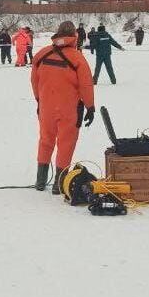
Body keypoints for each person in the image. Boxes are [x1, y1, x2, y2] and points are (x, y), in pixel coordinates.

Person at [31, 21, 95, 194]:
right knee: (66, 143)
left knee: (45, 141)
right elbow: (86, 85)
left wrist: (39, 100)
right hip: (69, 109)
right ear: (74, 36)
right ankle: (59, 184)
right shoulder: (77, 58)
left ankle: (40, 180)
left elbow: (34, 81)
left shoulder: (42, 54)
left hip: (46, 108)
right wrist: (90, 107)